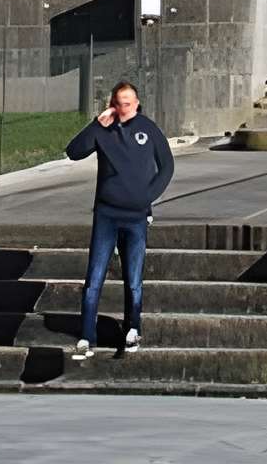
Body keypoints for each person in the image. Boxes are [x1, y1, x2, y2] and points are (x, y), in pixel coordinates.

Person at [64, 79, 174, 359]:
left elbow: (167, 166)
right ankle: (87, 336)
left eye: (128, 102)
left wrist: (147, 196)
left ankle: (132, 329)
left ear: (136, 103)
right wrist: (96, 124)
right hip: (107, 215)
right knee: (94, 279)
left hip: (136, 217)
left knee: (134, 279)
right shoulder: (104, 130)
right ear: (112, 104)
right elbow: (74, 152)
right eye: (118, 102)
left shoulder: (148, 129)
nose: (123, 107)